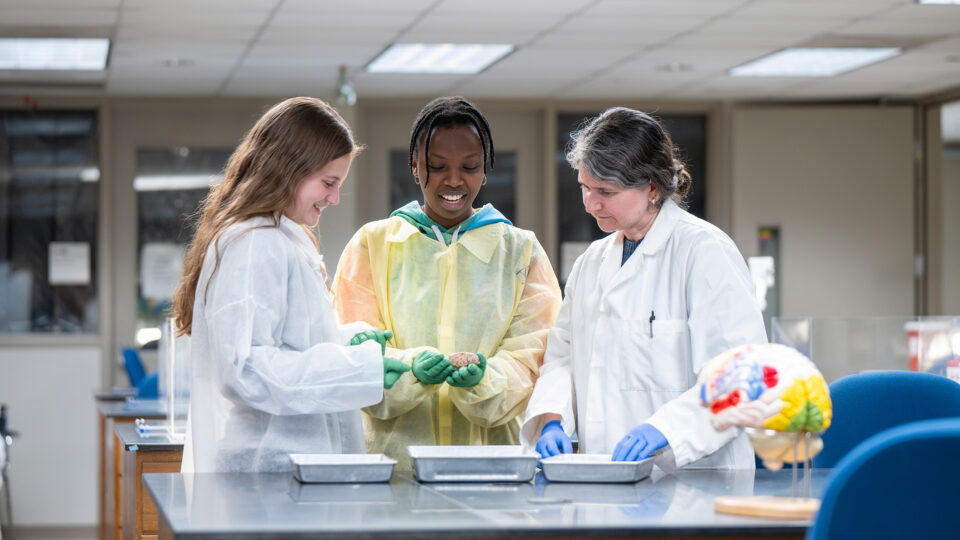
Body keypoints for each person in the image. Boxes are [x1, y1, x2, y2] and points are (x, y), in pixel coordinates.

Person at [171, 97, 409, 473]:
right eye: (328, 183)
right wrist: (361, 369)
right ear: (287, 169)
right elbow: (246, 369)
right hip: (268, 469)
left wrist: (352, 343)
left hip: (287, 465)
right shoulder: (254, 243)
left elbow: (288, 341)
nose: (334, 198)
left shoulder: (282, 236)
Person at [522, 107, 767, 471]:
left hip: (692, 479)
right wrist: (553, 416)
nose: (591, 204)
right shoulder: (592, 263)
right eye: (585, 188)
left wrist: (666, 429)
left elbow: (742, 377)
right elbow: (562, 354)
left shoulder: (704, 252)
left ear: (652, 187)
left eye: (606, 191)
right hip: (605, 472)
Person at [332, 96, 562, 468]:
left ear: (486, 168)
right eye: (437, 167)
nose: (454, 180)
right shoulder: (371, 245)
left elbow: (534, 356)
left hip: (493, 471)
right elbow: (351, 347)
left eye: (469, 167)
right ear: (415, 167)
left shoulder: (521, 252)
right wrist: (409, 370)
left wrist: (485, 378)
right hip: (394, 470)